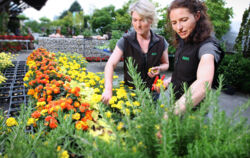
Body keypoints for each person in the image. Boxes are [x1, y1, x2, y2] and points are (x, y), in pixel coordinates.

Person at [156, 0, 224, 115]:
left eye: (184, 20)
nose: (179, 27)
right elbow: (185, 71)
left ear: (197, 16)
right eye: (174, 22)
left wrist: (172, 113)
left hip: (194, 114)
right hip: (176, 104)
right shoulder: (184, 40)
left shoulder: (208, 47)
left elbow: (204, 82)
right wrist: (168, 81)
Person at [101, 0, 169, 104]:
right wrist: (108, 88)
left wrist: (159, 68)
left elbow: (166, 64)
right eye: (135, 20)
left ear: (150, 20)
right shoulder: (125, 41)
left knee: (149, 118)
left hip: (153, 92)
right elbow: (111, 64)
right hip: (131, 92)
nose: (138, 25)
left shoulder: (160, 42)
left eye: (142, 20)